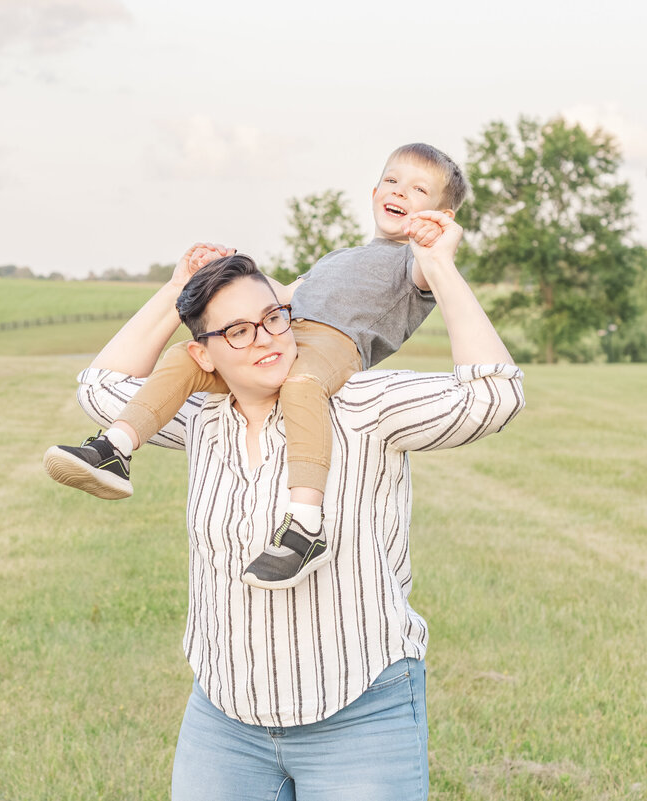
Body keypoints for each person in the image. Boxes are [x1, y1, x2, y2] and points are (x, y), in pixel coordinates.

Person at [67, 215, 523, 799]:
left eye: (272, 317)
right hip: (225, 718)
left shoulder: (358, 405)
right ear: (201, 356)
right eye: (236, 331)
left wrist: (440, 270)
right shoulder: (201, 418)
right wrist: (179, 283)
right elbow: (99, 386)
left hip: (358, 713)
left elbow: (495, 394)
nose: (266, 338)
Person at [45, 143, 468, 590]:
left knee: (301, 385)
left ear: (441, 215)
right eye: (392, 180)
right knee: (184, 357)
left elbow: (433, 270)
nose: (399, 191)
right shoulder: (338, 258)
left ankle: (305, 526)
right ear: (373, 190)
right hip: (282, 329)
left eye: (419, 189)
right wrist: (215, 270)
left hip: (335, 346)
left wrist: (434, 245)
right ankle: (114, 448)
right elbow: (282, 293)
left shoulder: (415, 262)